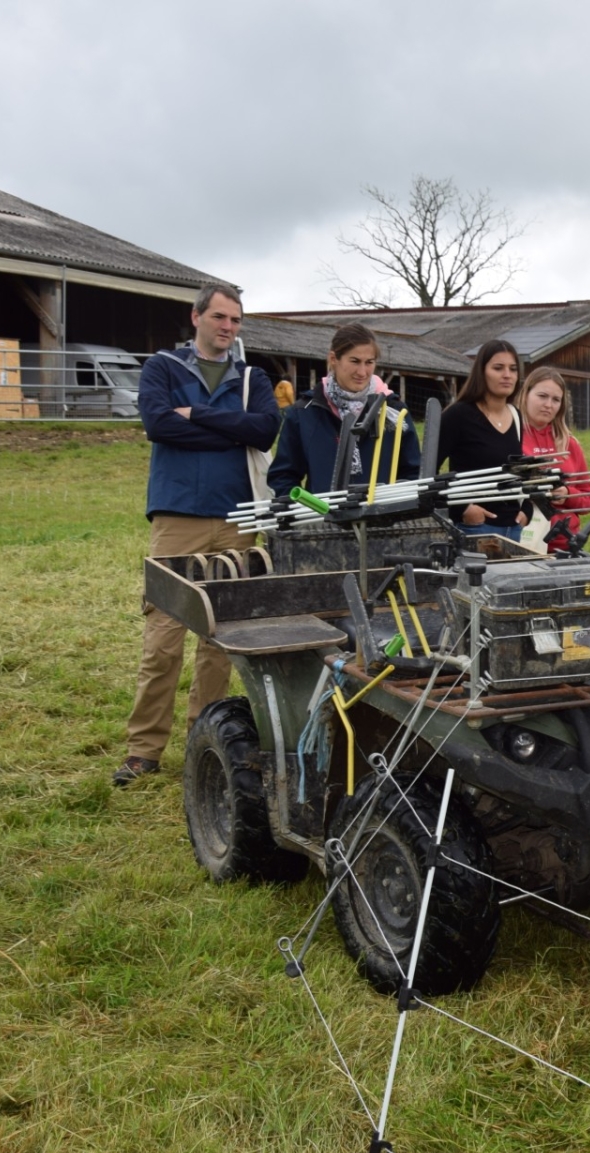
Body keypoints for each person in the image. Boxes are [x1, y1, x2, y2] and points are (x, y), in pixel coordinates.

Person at [113, 284, 280, 787]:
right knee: (163, 636)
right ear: (196, 317)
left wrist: (202, 416)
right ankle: (143, 749)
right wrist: (234, 428)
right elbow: (159, 426)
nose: (228, 327)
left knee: (219, 638)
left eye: (235, 320)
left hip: (238, 518)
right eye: (220, 317)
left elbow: (265, 430)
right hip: (178, 515)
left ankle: (203, 742)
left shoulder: (252, 377)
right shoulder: (162, 368)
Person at [267, 322, 423, 501]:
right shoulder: (303, 413)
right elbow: (284, 476)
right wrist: (309, 511)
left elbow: (413, 472)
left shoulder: (394, 411)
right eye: (354, 361)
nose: (362, 372)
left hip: (384, 523)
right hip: (324, 524)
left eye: (369, 362)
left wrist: (393, 509)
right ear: (334, 359)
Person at [434, 341, 528, 541]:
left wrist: (526, 511)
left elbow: (518, 471)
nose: (507, 375)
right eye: (498, 368)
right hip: (474, 529)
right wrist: (463, 509)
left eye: (513, 369)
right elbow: (427, 474)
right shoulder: (457, 415)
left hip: (514, 529)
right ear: (481, 372)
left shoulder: (516, 415)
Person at [516, 367, 590, 553]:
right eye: (542, 396)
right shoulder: (510, 437)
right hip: (521, 543)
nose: (548, 405)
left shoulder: (569, 444)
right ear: (526, 394)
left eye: (556, 400)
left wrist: (567, 493)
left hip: (565, 545)